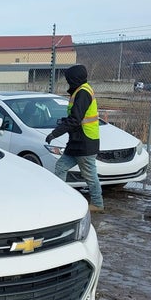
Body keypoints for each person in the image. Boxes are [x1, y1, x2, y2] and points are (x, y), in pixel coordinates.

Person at [45, 64, 104, 213]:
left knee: (89, 175)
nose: (67, 81)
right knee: (61, 167)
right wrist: (64, 122)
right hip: (77, 141)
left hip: (85, 141)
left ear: (74, 79)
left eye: (68, 79)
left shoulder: (83, 92)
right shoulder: (80, 90)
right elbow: (75, 117)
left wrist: (55, 133)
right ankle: (61, 198)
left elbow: (76, 119)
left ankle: (97, 204)